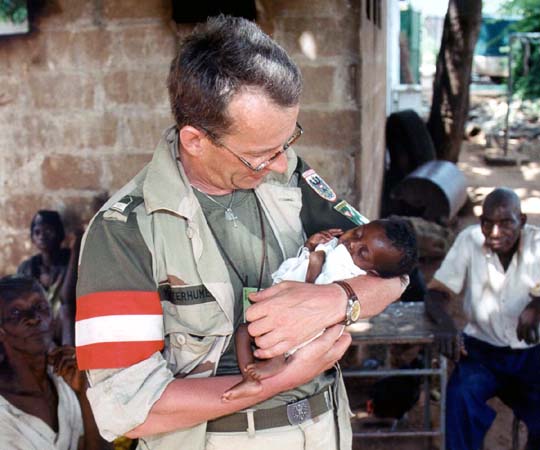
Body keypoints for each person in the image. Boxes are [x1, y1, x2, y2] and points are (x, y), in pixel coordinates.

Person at [75, 16, 406, 450]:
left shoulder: (288, 176)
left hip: (326, 433)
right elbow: (129, 408)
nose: (282, 163)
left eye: (288, 142)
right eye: (259, 155)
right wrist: (281, 379)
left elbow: (395, 274)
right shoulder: (123, 232)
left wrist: (336, 300)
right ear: (195, 140)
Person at [223, 219, 418, 400]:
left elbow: (313, 298)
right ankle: (249, 379)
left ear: (372, 272)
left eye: (363, 253)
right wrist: (310, 246)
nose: (353, 244)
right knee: (243, 332)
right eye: (357, 233)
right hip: (278, 311)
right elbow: (300, 268)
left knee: (269, 336)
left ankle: (277, 361)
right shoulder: (338, 247)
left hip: (299, 329)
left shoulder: (350, 270)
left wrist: (314, 265)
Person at [426, 187, 540, 450]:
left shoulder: (537, 243)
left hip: (532, 354)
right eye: (488, 223)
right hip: (482, 353)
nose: (495, 232)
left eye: (506, 223)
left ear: (522, 221)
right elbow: (436, 292)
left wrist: (537, 305)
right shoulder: (469, 240)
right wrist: (445, 324)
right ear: (480, 222)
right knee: (460, 398)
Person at [0, 276, 107, 450]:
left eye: (40, 306)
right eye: (16, 313)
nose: (34, 318)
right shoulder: (4, 411)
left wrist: (84, 393)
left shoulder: (66, 380)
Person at [17, 210, 81, 346]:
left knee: (65, 311)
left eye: (48, 231)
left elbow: (67, 298)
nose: (42, 236)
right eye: (37, 232)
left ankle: (68, 356)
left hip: (65, 324)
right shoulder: (27, 268)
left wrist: (76, 248)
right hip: (39, 326)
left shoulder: (70, 261)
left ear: (60, 234)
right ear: (32, 238)